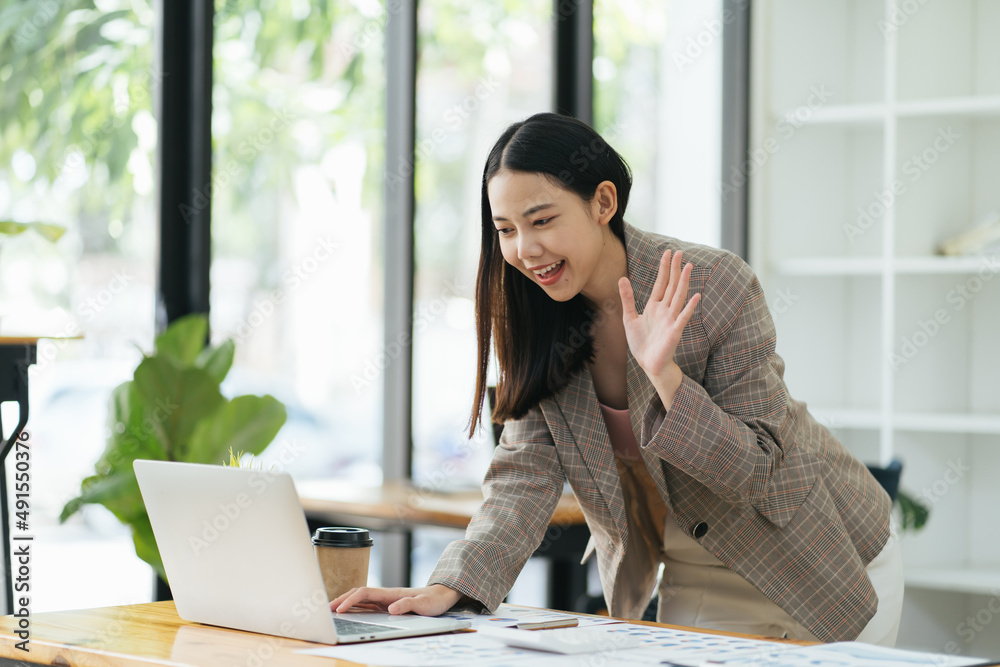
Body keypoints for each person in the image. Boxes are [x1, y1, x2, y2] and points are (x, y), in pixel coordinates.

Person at [331, 112, 904, 645]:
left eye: (542, 220)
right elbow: (521, 480)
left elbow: (756, 469)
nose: (525, 250)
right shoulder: (538, 319)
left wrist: (667, 378)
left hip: (816, 559)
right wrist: (451, 586)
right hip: (692, 568)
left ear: (603, 201)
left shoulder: (713, 284)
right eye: (505, 229)